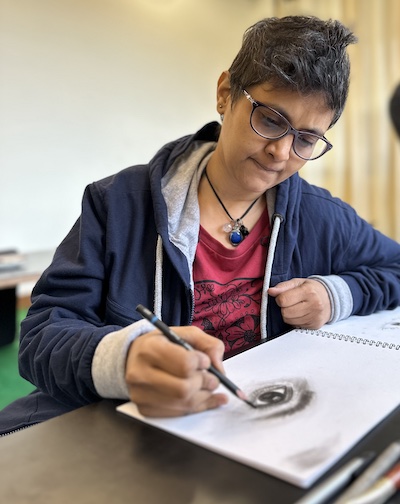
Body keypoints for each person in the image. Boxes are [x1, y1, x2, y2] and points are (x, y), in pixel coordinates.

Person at [1, 15, 400, 434]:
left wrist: (337, 293)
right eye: (269, 119)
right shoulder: (118, 203)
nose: (280, 152)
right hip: (118, 432)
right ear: (226, 94)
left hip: (248, 436)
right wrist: (123, 360)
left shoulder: (321, 217)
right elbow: (41, 336)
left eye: (305, 139)